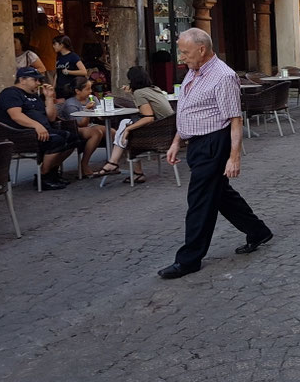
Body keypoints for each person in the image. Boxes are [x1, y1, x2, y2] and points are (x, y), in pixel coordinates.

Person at [159, 28, 274, 279]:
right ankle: (258, 231)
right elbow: (188, 110)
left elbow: (235, 119)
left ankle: (189, 259)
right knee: (220, 194)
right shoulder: (195, 70)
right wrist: (177, 141)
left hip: (213, 144)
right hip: (197, 143)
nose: (181, 57)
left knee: (200, 200)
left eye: (185, 52)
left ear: (202, 49)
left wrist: (234, 157)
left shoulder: (223, 77)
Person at [0, 67, 77, 190]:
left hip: (44, 130)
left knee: (73, 137)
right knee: (56, 141)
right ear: (22, 80)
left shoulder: (35, 96)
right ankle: (43, 176)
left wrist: (49, 98)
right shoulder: (10, 93)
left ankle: (50, 172)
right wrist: (37, 125)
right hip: (23, 135)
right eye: (35, 80)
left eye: (39, 80)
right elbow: (16, 116)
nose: (38, 83)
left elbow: (51, 118)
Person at [92, 66, 174, 183]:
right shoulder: (154, 89)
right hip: (167, 130)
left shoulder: (139, 93)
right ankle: (131, 171)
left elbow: (148, 118)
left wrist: (128, 129)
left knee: (127, 129)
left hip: (158, 133)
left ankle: (114, 163)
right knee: (126, 126)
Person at [58, 77, 109, 178]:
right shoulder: (70, 104)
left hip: (90, 125)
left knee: (111, 132)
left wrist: (102, 111)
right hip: (74, 128)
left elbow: (100, 115)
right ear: (77, 91)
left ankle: (111, 162)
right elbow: (81, 124)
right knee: (96, 133)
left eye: (91, 88)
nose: (90, 91)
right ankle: (84, 164)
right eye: (87, 89)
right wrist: (87, 110)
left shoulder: (92, 98)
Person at [29, 12, 60, 80]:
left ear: (37, 21)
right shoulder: (55, 32)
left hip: (42, 64)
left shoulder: (36, 32)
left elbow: (33, 49)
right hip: (55, 63)